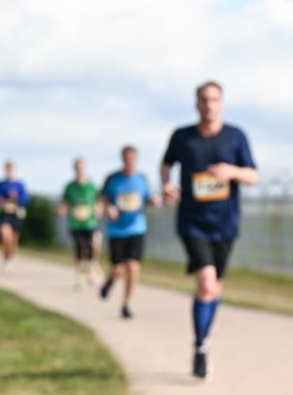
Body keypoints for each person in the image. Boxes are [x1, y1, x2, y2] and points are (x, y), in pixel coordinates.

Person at [160, 80, 258, 379]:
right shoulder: (182, 136)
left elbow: (253, 175)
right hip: (192, 221)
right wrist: (166, 185)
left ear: (222, 104)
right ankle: (201, 346)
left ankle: (203, 340)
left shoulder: (236, 136)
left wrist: (232, 172)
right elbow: (166, 165)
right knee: (205, 282)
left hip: (225, 223)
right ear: (196, 104)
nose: (209, 105)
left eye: (214, 99)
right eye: (204, 99)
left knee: (215, 287)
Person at [98, 145, 160, 318]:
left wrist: (153, 202)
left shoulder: (142, 179)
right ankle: (110, 281)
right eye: (126, 159)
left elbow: (147, 199)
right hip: (116, 230)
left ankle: (126, 305)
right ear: (122, 159)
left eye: (132, 159)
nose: (129, 162)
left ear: (136, 160)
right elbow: (101, 199)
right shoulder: (112, 179)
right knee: (118, 269)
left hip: (136, 228)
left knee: (132, 267)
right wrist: (108, 207)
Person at [58, 158, 100, 288]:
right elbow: (64, 202)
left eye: (81, 167)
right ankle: (81, 276)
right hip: (75, 224)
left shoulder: (92, 186)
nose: (80, 170)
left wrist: (99, 208)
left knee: (92, 247)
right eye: (77, 167)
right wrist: (62, 209)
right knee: (80, 248)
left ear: (85, 168)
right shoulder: (70, 187)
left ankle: (90, 272)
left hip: (90, 223)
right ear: (74, 169)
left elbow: (99, 201)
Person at [0, 160, 29, 275]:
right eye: (7, 169)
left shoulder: (20, 185)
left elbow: (26, 199)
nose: (9, 171)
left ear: (14, 170)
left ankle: (8, 260)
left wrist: (17, 197)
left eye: (11, 169)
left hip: (16, 215)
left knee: (13, 241)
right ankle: (5, 260)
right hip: (4, 215)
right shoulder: (0, 184)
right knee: (5, 237)